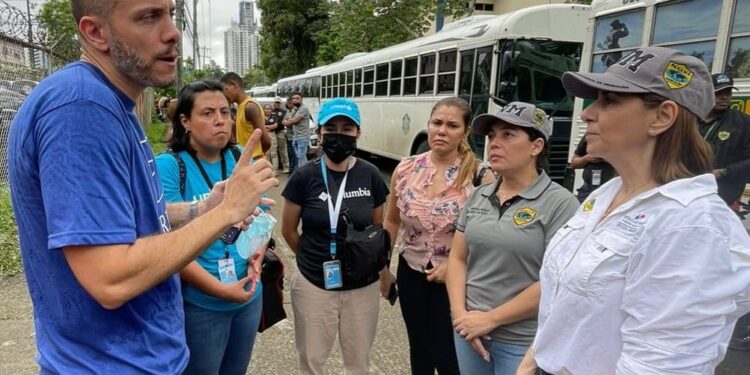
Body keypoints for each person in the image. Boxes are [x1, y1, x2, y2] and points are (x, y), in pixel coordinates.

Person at [6, 1, 278, 373]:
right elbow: (111, 278)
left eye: (169, 13)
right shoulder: (83, 108)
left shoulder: (111, 102)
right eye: (149, 17)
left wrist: (204, 208)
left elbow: (125, 220)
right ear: (95, 32)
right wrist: (229, 211)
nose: (172, 32)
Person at [518, 47, 750, 375]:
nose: (588, 113)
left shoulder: (692, 226)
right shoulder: (606, 194)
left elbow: (660, 365)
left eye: (609, 101)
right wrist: (532, 362)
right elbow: (565, 303)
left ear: (662, 117)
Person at [445, 102, 578, 375]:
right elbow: (457, 259)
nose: (494, 143)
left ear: (536, 146)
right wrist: (461, 317)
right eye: (492, 135)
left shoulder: (561, 204)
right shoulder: (478, 196)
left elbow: (556, 280)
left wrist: (490, 320)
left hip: (521, 342)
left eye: (508, 135)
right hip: (469, 332)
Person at [155, 80, 264, 375]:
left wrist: (257, 256)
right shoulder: (168, 166)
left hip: (249, 295)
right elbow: (169, 245)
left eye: (225, 112)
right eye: (207, 113)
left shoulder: (238, 155)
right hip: (202, 304)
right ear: (185, 121)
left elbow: (260, 213)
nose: (220, 120)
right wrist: (220, 290)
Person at [383, 97, 491, 375]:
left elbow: (490, 238)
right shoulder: (406, 169)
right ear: (428, 126)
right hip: (411, 272)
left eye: (452, 125)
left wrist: (455, 267)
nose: (442, 130)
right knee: (419, 349)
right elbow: (392, 221)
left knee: (448, 354)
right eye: (437, 123)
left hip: (455, 282)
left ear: (465, 132)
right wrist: (383, 269)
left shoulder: (481, 176)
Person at [281, 98, 390, 375]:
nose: (338, 135)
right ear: (319, 133)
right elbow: (288, 230)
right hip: (314, 285)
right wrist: (313, 257)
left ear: (358, 133)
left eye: (347, 128)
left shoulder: (371, 175)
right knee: (312, 361)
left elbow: (375, 229)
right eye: (331, 128)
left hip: (362, 286)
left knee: (358, 363)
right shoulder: (303, 176)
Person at [699, 73, 750, 208]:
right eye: (719, 92)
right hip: (689, 190)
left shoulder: (743, 123)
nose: (724, 96)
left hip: (721, 197)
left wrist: (724, 171)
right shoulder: (691, 118)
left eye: (728, 92)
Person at [220, 72, 271, 160]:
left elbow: (266, 141)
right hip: (245, 159)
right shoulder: (240, 107)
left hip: (254, 159)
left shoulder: (249, 106)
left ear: (233, 85)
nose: (224, 94)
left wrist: (258, 156)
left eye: (225, 89)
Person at [570, 137, 616, 202]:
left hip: (611, 189)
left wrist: (607, 157)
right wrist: (586, 159)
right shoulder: (590, 135)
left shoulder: (619, 136)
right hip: (588, 190)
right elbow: (574, 164)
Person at [283, 92, 311, 168]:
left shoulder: (304, 108)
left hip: (303, 136)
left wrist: (289, 121)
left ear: (302, 99)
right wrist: (289, 121)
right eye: (294, 99)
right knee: (298, 157)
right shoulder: (294, 109)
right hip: (295, 136)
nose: (295, 100)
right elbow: (286, 120)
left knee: (302, 156)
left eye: (297, 98)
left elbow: (294, 121)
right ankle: (302, 173)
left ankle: (305, 173)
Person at [272, 96, 291, 173]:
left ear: (280, 103)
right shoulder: (270, 111)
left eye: (278, 102)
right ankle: (274, 169)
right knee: (273, 151)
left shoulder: (284, 112)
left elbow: (287, 121)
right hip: (272, 132)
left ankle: (286, 167)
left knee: (283, 150)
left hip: (280, 131)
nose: (276, 104)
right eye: (275, 102)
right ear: (273, 103)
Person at [263, 103, 280, 170]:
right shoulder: (261, 116)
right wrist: (270, 127)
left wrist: (266, 127)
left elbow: (275, 125)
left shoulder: (274, 116)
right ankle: (268, 170)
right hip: (264, 135)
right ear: (264, 110)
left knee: (273, 153)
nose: (268, 110)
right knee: (266, 154)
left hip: (272, 135)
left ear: (271, 110)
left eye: (269, 109)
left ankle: (275, 170)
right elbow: (261, 126)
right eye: (266, 109)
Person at [284, 97, 298, 173]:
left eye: (289, 103)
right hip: (288, 136)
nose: (288, 104)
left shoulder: (296, 111)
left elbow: (291, 123)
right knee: (290, 154)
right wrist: (287, 122)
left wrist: (288, 122)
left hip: (294, 136)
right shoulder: (288, 112)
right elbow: (283, 121)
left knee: (295, 154)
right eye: (287, 103)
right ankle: (291, 169)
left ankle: (295, 171)